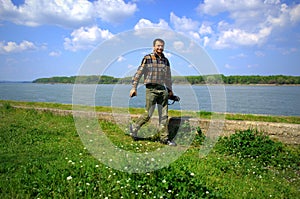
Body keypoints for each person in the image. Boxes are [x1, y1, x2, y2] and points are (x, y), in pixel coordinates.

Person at [129, 38, 176, 146]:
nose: (160, 48)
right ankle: (134, 128)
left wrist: (170, 91)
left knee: (164, 115)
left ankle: (164, 139)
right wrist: (133, 88)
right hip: (151, 90)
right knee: (148, 114)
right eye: (158, 46)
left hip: (162, 90)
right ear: (154, 46)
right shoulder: (148, 58)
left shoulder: (166, 60)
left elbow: (168, 77)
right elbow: (138, 74)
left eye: (162, 46)